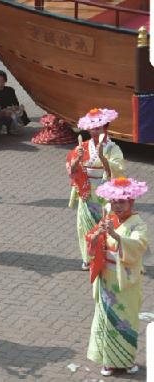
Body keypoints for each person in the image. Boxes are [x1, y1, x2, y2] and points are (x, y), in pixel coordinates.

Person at [85, 177, 149, 377]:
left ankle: (126, 361)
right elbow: (91, 238)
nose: (117, 206)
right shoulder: (108, 219)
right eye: (114, 202)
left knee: (126, 318)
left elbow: (139, 246)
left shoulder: (138, 225)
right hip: (108, 279)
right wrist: (96, 237)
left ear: (131, 202)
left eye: (122, 202)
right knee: (107, 319)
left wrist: (117, 237)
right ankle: (109, 362)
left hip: (126, 282)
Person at [66, 108, 125, 270]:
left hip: (105, 193)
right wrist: (76, 160)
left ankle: (106, 256)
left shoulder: (113, 148)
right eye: (92, 128)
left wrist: (103, 158)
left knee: (106, 226)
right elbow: (71, 171)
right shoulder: (82, 146)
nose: (94, 131)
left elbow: (118, 170)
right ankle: (88, 258)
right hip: (86, 192)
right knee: (84, 226)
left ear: (105, 128)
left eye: (98, 128)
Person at [0, 70, 28, 144]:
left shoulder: (10, 90)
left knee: (21, 113)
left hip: (10, 111)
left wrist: (13, 108)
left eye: (2, 80)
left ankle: (11, 128)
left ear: (5, 81)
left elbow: (15, 103)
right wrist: (2, 111)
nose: (0, 83)